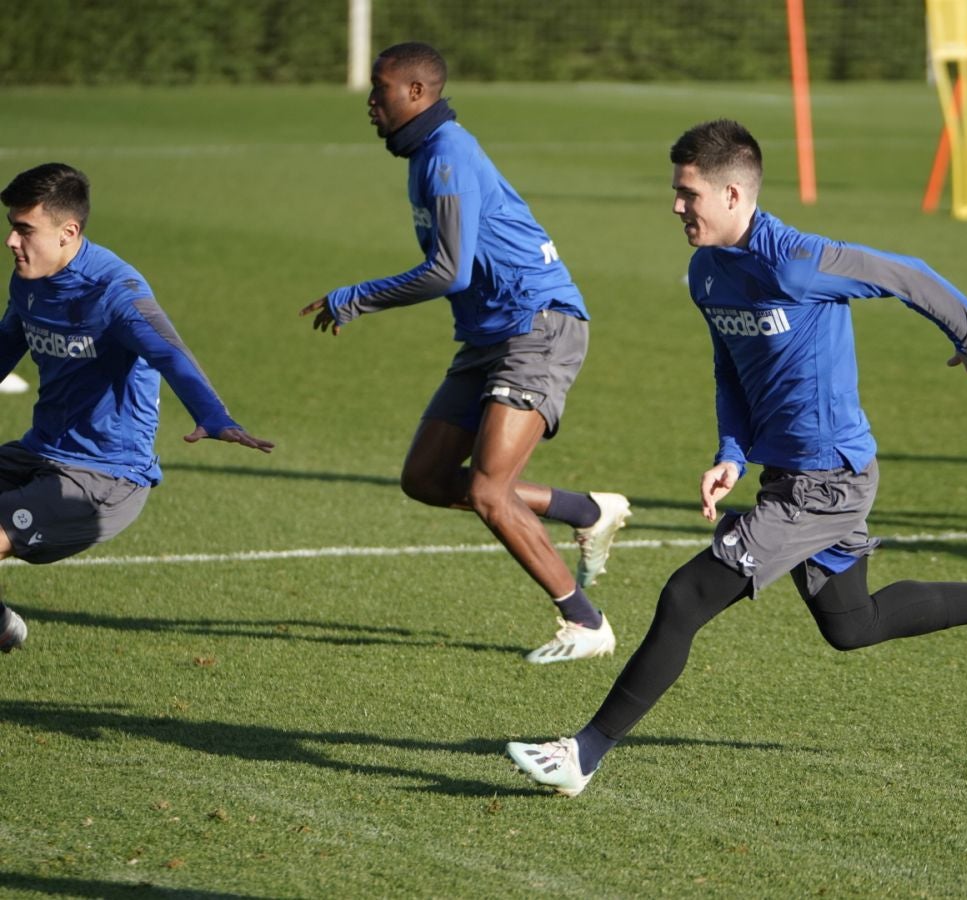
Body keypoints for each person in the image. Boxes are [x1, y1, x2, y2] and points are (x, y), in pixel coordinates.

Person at [505, 119, 967, 797]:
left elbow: (908, 274)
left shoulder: (797, 260)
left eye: (686, 193)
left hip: (826, 482)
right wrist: (732, 451)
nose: (675, 206)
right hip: (790, 475)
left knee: (684, 597)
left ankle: (584, 751)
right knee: (851, 624)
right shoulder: (705, 272)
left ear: (730, 194)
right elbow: (731, 367)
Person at [300, 42, 629, 664]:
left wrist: (357, 297)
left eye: (381, 89)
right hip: (488, 336)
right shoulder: (423, 154)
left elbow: (447, 270)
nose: (370, 102)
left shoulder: (446, 154)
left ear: (417, 93)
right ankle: (587, 510)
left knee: (487, 491)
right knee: (424, 478)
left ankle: (585, 624)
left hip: (538, 324)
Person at [0, 162, 274, 653]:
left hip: (104, 477)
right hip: (39, 452)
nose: (12, 243)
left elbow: (169, 350)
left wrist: (213, 415)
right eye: (11, 228)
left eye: (24, 230)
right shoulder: (29, 282)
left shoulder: (113, 292)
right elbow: (4, 346)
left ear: (68, 232)